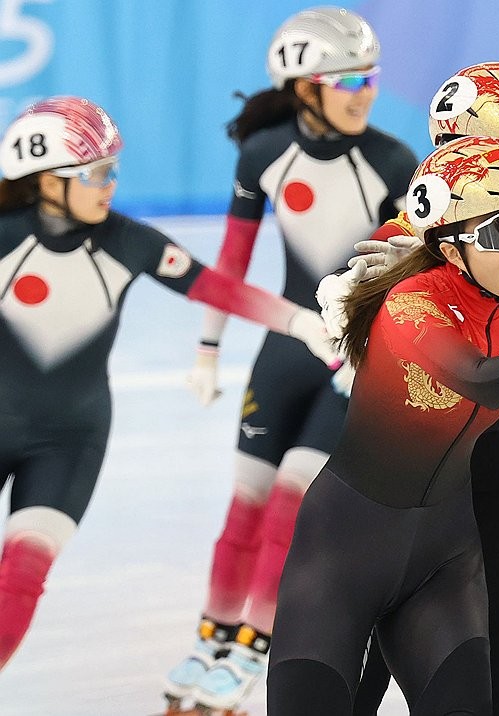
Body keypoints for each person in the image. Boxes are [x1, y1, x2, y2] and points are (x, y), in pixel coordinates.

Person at [268, 135, 499, 716]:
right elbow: (481, 378)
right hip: (343, 555)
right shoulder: (412, 301)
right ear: (451, 249)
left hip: (444, 558)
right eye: (497, 232)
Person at [0, 96, 337, 674]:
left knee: (23, 576)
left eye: (113, 169)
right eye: (96, 172)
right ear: (46, 180)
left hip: (69, 441)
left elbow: (217, 288)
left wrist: (300, 321)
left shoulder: (127, 241)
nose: (110, 184)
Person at [162, 7, 418, 712]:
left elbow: (414, 275)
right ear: (307, 86)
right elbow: (231, 264)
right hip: (283, 354)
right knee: (241, 511)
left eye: (371, 75)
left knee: (286, 513)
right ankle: (211, 638)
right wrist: (207, 350)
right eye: (349, 79)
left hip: (352, 362)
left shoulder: (395, 162)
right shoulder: (265, 153)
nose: (366, 89)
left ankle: (252, 647)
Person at [317, 63, 499, 716]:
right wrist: (421, 269)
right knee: (355, 686)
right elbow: (342, 303)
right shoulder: (396, 245)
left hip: (494, 462)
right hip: (402, 489)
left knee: (494, 686)